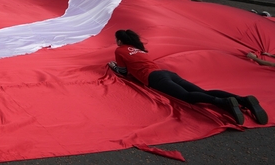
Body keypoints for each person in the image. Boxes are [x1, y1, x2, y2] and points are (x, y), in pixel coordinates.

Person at [108, 29, 267, 125]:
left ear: (120, 40)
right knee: (204, 91)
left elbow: (122, 72)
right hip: (166, 73)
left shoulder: (120, 50)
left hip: (154, 78)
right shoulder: (139, 49)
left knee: (187, 97)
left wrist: (113, 66)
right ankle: (242, 99)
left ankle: (224, 102)